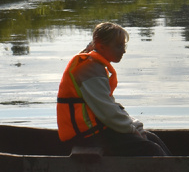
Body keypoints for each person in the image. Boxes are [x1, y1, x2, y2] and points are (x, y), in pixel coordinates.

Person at [57, 21, 170, 156]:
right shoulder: (89, 70)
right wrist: (132, 129)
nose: (124, 50)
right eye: (119, 46)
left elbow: (109, 107)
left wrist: (135, 125)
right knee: (151, 149)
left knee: (152, 138)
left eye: (124, 45)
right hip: (87, 137)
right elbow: (108, 112)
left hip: (97, 131)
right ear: (101, 46)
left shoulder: (95, 66)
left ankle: (176, 171)